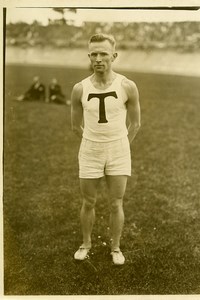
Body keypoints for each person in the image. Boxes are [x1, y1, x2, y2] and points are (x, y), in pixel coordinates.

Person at [71, 33, 141, 265]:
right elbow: (75, 126)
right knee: (88, 202)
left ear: (114, 55)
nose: (98, 58)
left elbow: (136, 123)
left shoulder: (127, 86)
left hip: (119, 149)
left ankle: (116, 248)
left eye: (103, 53)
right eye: (94, 54)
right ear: (89, 56)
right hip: (90, 149)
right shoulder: (79, 89)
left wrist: (121, 145)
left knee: (116, 202)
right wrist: (93, 142)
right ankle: (86, 244)